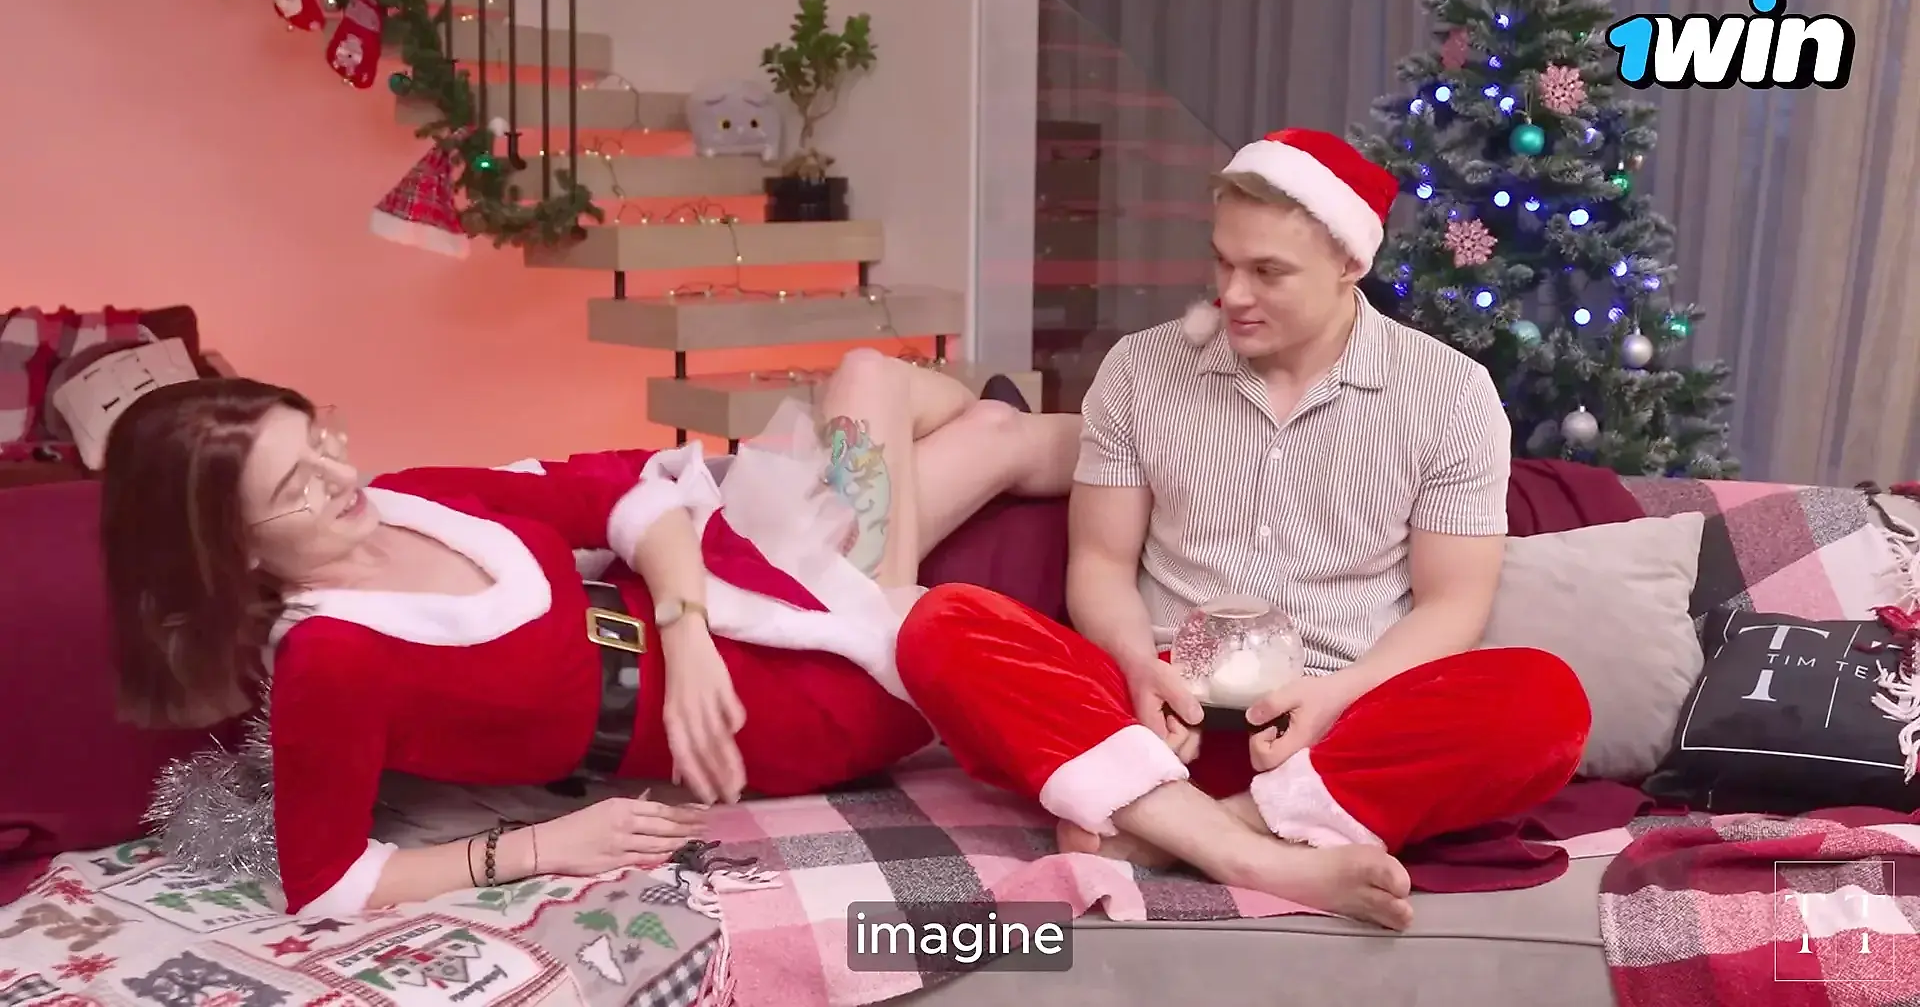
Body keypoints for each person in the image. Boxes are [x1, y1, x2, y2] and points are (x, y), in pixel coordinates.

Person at [893, 129, 1593, 931]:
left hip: (1339, 721)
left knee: (1546, 702)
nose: (1232, 294)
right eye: (1222, 263)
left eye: (1268, 272)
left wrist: (1335, 698)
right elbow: (1100, 563)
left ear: (1349, 263)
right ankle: (1252, 855)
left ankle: (1184, 828)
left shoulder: (1452, 395)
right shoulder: (1138, 370)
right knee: (940, 623)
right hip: (1154, 717)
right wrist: (1136, 667)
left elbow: (1453, 605)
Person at [101, 350, 1081, 916]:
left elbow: (614, 494)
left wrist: (685, 632)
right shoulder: (332, 659)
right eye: (299, 487)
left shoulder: (402, 498)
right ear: (231, 548)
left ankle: (1112, 434)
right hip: (790, 700)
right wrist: (541, 848)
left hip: (721, 576)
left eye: (319, 438)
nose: (340, 477)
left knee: (903, 392)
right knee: (909, 400)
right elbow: (325, 883)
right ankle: (1080, 433)